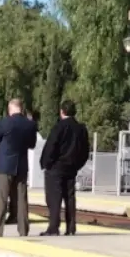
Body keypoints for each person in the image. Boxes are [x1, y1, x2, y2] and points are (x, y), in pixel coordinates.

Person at [0, 99, 37, 237]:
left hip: (5, 165)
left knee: (2, 198)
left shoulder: (4, 122)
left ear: (10, 109)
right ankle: (23, 230)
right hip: (21, 165)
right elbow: (32, 144)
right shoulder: (30, 125)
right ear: (21, 109)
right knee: (22, 199)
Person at [39, 100, 90, 236]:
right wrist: (77, 164)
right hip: (72, 167)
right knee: (70, 197)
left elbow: (51, 146)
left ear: (62, 111)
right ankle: (71, 227)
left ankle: (53, 227)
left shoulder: (59, 127)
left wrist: (46, 163)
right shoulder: (81, 129)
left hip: (56, 167)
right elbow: (85, 151)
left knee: (54, 198)